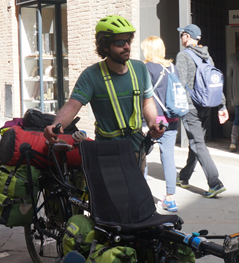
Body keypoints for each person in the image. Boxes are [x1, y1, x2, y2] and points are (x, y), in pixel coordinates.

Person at [43, 15, 162, 159]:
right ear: (105, 46)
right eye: (120, 42)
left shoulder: (140, 69)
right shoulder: (91, 75)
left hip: (136, 149)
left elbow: (147, 101)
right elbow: (72, 106)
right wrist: (56, 125)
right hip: (106, 152)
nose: (127, 46)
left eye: (128, 41)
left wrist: (152, 124)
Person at [175, 24, 229, 198]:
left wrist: (177, 107)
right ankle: (184, 177)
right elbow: (215, 83)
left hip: (190, 106)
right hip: (205, 105)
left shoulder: (183, 55)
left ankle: (215, 182)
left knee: (198, 144)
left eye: (182, 34)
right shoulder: (207, 56)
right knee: (196, 142)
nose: (181, 38)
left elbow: (180, 83)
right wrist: (222, 106)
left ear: (187, 36)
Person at [141, 36, 181, 212]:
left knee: (142, 155)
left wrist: (143, 121)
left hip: (152, 119)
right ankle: (170, 199)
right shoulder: (172, 67)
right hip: (171, 118)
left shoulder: (145, 68)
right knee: (168, 157)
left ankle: (142, 196)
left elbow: (143, 96)